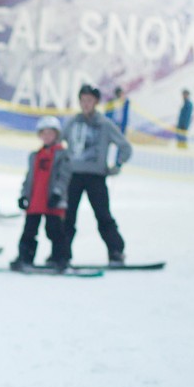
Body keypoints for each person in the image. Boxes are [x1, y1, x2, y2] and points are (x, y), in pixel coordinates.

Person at [63, 84, 132, 265]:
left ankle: (116, 250)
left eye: (90, 100)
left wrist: (116, 165)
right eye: (83, 100)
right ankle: (61, 252)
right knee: (67, 216)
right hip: (73, 176)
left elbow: (125, 147)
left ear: (96, 102)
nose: (86, 104)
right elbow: (57, 142)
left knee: (103, 215)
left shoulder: (104, 125)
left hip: (96, 177)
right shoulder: (72, 123)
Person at [11, 116, 72, 271]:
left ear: (56, 135)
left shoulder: (62, 154)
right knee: (29, 231)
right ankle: (25, 257)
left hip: (52, 200)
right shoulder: (35, 155)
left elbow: (63, 176)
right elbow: (29, 177)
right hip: (36, 201)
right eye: (43, 133)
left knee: (55, 231)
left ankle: (60, 258)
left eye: (50, 133)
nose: (47, 137)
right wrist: (24, 195)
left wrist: (58, 193)